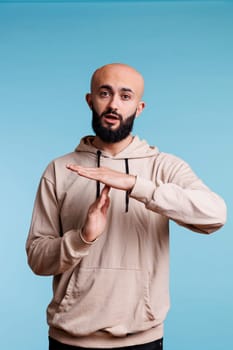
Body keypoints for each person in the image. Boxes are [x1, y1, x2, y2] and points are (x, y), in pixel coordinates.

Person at [26, 63, 227, 350]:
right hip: (69, 338)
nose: (113, 104)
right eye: (104, 93)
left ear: (139, 107)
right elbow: (37, 258)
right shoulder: (60, 170)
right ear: (90, 100)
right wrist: (83, 238)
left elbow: (215, 214)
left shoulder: (163, 167)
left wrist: (136, 185)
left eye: (125, 96)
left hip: (142, 339)